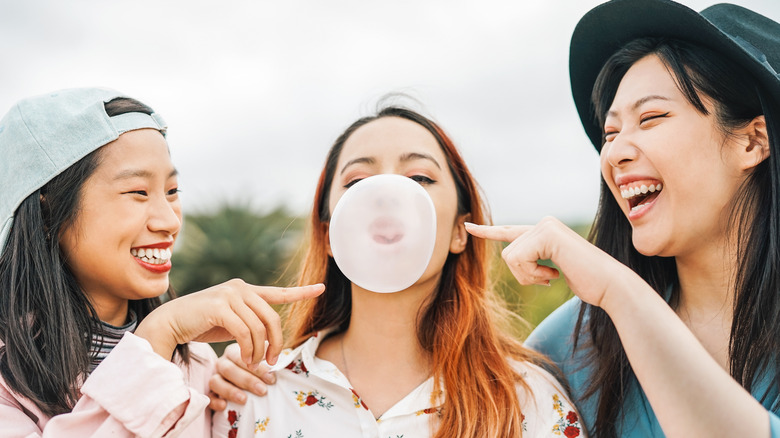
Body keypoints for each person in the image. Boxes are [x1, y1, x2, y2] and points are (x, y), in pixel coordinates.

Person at [466, 0, 780, 436]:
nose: (614, 152)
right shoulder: (570, 346)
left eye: (651, 118)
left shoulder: (613, 300)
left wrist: (619, 291)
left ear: (752, 141)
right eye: (610, 133)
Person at [212, 106, 585, 438]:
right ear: (329, 234)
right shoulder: (252, 393)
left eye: (420, 178)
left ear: (460, 230)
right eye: (358, 182)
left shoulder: (528, 402)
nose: (386, 194)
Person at [0, 87, 324, 437]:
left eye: (172, 192)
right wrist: (157, 335)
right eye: (138, 192)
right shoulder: (8, 378)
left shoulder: (197, 364)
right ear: (48, 215)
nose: (169, 221)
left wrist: (237, 387)